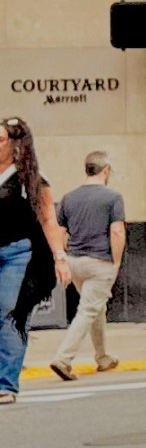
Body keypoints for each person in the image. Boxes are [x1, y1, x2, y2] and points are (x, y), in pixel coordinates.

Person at [1, 115, 69, 406]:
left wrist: (59, 257)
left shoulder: (30, 179)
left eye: (0, 139)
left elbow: (48, 220)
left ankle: (6, 384)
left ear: (16, 144)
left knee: (9, 316)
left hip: (18, 254)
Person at [48, 150, 127, 381]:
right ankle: (63, 359)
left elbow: (60, 232)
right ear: (106, 171)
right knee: (87, 311)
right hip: (99, 262)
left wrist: (61, 258)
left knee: (96, 308)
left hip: (74, 262)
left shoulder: (69, 198)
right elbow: (117, 231)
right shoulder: (113, 197)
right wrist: (116, 261)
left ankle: (102, 357)